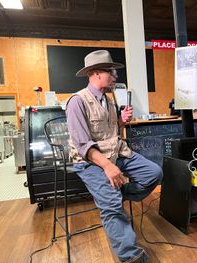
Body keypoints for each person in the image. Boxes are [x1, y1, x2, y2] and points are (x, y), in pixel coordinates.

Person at [66, 50, 163, 262]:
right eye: (111, 72)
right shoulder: (77, 102)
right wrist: (108, 167)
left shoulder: (108, 100)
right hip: (91, 161)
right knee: (111, 203)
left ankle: (119, 194)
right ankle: (130, 257)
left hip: (117, 152)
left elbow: (108, 132)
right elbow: (83, 145)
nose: (116, 76)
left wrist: (121, 120)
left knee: (154, 173)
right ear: (96, 73)